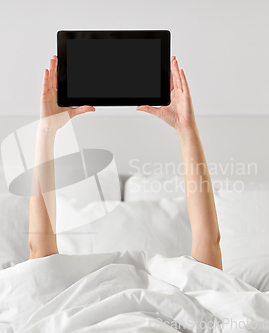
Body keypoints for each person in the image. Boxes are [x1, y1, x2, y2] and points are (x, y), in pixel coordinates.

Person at [28, 55, 222, 270]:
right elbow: (209, 244)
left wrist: (46, 131)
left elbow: (39, 250)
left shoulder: (62, 291)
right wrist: (187, 130)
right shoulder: (191, 287)